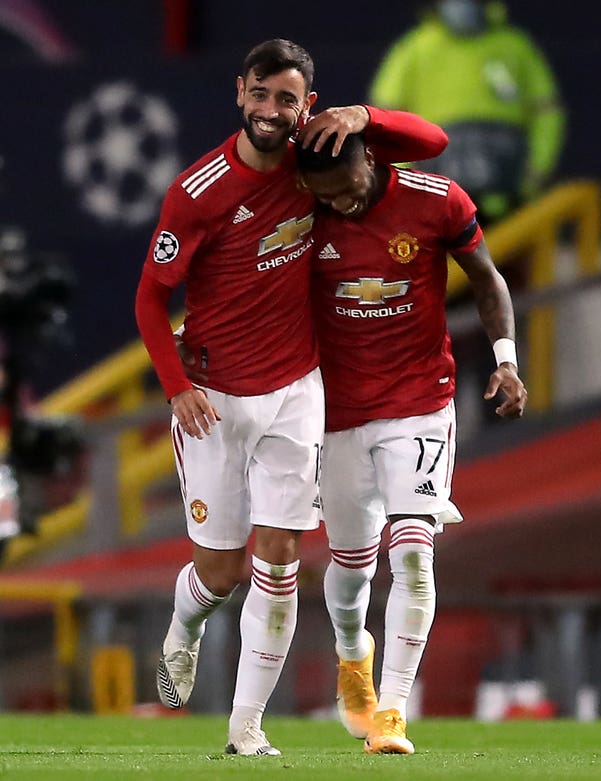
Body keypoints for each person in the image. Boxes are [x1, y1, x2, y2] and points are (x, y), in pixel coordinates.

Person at [135, 38, 448, 756]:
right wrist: (178, 388)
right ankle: (183, 627)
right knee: (220, 573)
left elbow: (432, 142)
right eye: (261, 94)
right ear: (239, 92)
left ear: (306, 104)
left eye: (288, 99)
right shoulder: (198, 191)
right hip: (213, 399)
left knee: (277, 563)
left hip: (296, 392)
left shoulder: (317, 157)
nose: (272, 111)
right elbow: (151, 300)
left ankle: (246, 730)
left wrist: (362, 115)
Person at [293, 130, 527, 753]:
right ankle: (353, 659)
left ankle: (393, 711)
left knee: (415, 555)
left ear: (370, 158)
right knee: (351, 570)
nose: (340, 205)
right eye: (327, 197)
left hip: (419, 404)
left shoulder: (437, 199)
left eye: (349, 190)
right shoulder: (299, 212)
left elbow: (486, 277)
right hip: (334, 414)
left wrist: (505, 359)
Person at [369, 0, 566, 225]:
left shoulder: (515, 47)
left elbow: (547, 112)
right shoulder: (414, 49)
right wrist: (401, 180)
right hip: (435, 194)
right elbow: (386, 120)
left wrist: (538, 170)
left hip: (509, 195)